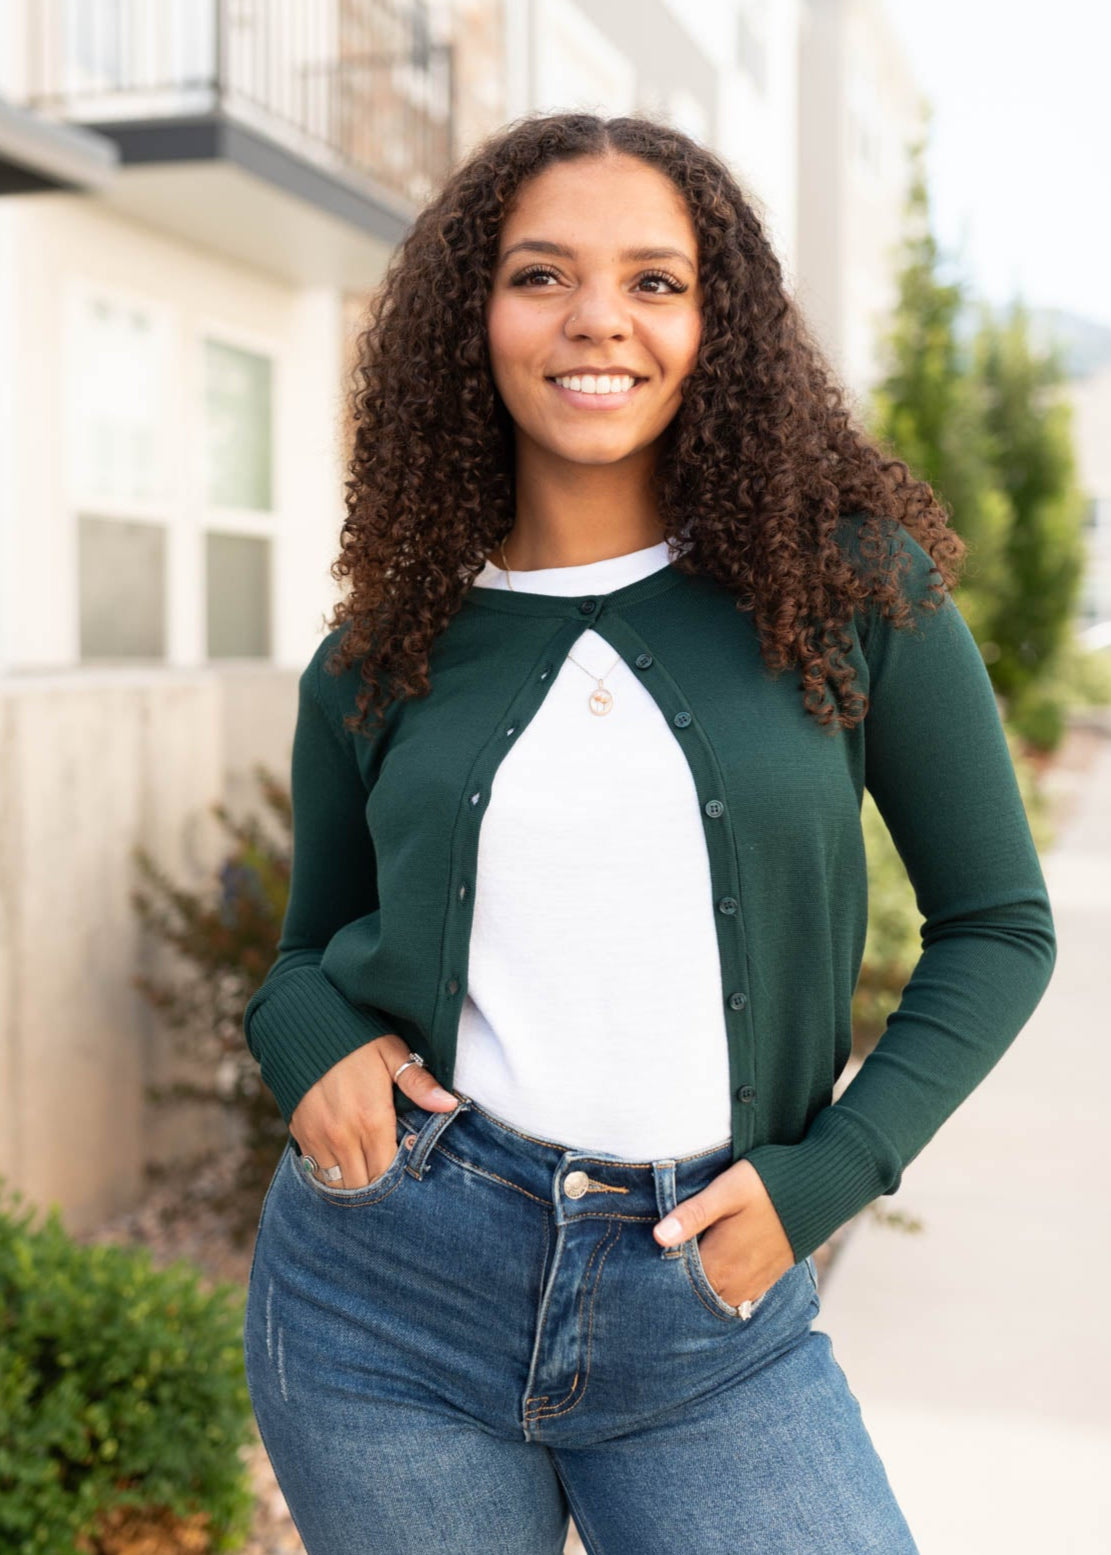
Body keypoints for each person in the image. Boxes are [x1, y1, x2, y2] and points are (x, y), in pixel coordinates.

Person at [240, 111, 1056, 1555]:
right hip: (387, 1299)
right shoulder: (382, 652)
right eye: (540, 275)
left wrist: (831, 1174)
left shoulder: (851, 591)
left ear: (716, 321)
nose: (597, 320)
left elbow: (999, 926)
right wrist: (307, 1050)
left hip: (709, 1313)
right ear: (470, 319)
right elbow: (309, 954)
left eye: (655, 282)